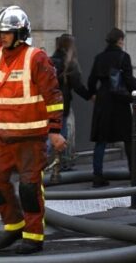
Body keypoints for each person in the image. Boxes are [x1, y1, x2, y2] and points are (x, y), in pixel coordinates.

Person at [0, 5, 66, 254]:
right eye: (0, 32)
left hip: (31, 139)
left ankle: (33, 237)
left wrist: (55, 131)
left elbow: (53, 96)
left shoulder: (36, 58)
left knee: (29, 188)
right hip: (3, 138)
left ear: (21, 33)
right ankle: (14, 226)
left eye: (7, 32)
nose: (2, 36)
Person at [87, 27, 136, 188]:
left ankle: (97, 175)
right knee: (129, 138)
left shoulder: (99, 58)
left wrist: (93, 94)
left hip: (103, 101)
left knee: (101, 140)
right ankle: (133, 172)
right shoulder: (124, 57)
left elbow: (91, 81)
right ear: (120, 40)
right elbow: (129, 81)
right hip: (120, 102)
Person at [48, 34, 92, 174]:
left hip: (48, 105)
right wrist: (90, 96)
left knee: (50, 135)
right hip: (62, 105)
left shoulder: (50, 61)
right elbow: (77, 85)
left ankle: (55, 162)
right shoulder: (68, 63)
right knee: (60, 135)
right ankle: (61, 163)